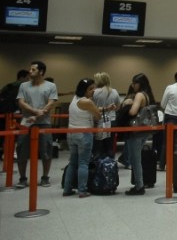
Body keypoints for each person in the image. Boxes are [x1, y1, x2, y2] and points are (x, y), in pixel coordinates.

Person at [15, 61, 57, 189]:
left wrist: (41, 112)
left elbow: (51, 102)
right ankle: (22, 178)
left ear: (41, 72)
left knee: (46, 150)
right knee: (22, 150)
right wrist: (34, 111)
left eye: (33, 69)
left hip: (44, 123)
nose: (30, 71)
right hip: (26, 123)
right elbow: (21, 102)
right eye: (30, 69)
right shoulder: (23, 86)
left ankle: (45, 177)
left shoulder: (50, 86)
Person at [63, 78, 107, 198]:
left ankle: (67, 189)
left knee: (72, 163)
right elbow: (97, 116)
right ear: (84, 90)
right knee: (83, 163)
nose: (93, 91)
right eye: (90, 89)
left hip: (71, 133)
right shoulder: (88, 102)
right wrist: (97, 107)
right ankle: (82, 190)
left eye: (94, 88)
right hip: (84, 134)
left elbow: (90, 111)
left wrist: (105, 108)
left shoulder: (75, 98)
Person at [119, 73, 154, 196]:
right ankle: (140, 183)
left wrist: (127, 104)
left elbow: (133, 111)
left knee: (135, 159)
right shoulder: (148, 95)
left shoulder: (139, 95)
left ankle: (139, 185)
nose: (132, 85)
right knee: (137, 158)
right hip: (144, 131)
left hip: (136, 131)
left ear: (139, 84)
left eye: (134, 83)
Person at [0, 69, 29, 156]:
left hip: (4, 113)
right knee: (15, 134)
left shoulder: (9, 85)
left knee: (4, 135)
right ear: (22, 77)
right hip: (14, 114)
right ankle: (12, 154)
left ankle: (4, 153)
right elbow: (21, 101)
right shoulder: (20, 86)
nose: (28, 81)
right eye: (27, 79)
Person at [92, 72, 121, 157]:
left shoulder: (95, 92)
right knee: (110, 146)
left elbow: (91, 107)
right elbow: (118, 107)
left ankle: (98, 165)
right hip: (112, 120)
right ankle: (110, 165)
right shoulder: (114, 92)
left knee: (98, 146)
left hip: (98, 121)